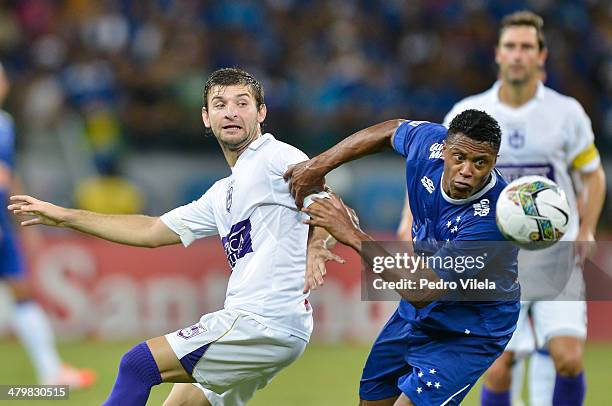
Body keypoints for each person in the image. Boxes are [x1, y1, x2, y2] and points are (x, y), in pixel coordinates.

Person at [8, 67, 341, 406]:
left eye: (242, 103)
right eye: (220, 104)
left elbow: (334, 208)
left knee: (138, 364)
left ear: (261, 113)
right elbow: (152, 230)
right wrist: (66, 217)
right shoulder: (221, 192)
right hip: (271, 327)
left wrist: (316, 243)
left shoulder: (276, 157)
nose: (231, 112)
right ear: (206, 117)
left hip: (261, 320)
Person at [285, 109, 521, 406]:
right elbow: (389, 130)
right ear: (444, 149)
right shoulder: (427, 143)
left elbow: (421, 290)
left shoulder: (491, 221)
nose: (467, 170)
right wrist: (319, 165)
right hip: (416, 315)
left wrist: (352, 234)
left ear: (493, 163)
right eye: (459, 157)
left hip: (469, 331)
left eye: (480, 163)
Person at [440, 11, 606, 406]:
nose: (517, 55)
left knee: (568, 358)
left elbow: (593, 175)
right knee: (498, 365)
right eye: (510, 46)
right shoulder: (469, 114)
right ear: (497, 54)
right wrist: (411, 219)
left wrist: (586, 229)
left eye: (526, 47)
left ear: (541, 55)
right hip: (493, 256)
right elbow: (441, 175)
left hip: (555, 254)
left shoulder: (566, 114)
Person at [0, 62, 96, 388]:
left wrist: (22, 218)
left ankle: (50, 373)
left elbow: (8, 176)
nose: (3, 81)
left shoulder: (5, 124)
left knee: (23, 292)